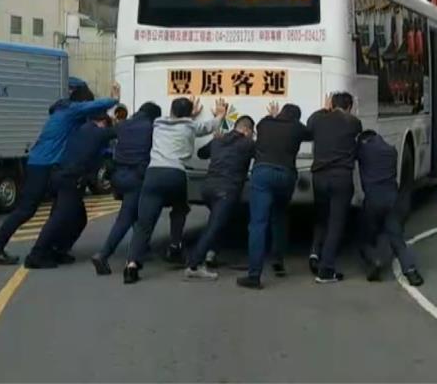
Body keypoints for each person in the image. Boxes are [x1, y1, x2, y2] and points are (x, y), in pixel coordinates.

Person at [0, 82, 119, 265]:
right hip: (43, 165)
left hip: (42, 163)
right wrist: (114, 99)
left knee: (67, 212)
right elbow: (93, 107)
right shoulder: (71, 111)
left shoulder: (63, 113)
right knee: (27, 210)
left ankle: (55, 249)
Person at [123, 96, 226, 284]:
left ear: (170, 111)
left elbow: (178, 121)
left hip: (153, 174)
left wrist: (187, 116)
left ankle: (131, 265)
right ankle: (175, 245)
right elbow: (210, 126)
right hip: (175, 175)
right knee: (180, 209)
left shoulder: (157, 125)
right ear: (189, 114)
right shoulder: (190, 127)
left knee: (144, 223)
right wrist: (220, 114)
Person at [25, 113, 117, 268]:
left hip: (62, 176)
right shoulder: (94, 131)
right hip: (70, 180)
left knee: (78, 218)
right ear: (102, 122)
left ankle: (58, 250)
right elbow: (119, 131)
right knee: (59, 218)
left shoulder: (81, 130)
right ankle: (36, 254)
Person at [237, 103, 312, 289]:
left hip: (262, 173)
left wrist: (274, 116)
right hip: (286, 175)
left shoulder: (264, 123)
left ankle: (254, 275)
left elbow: (270, 122)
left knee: (258, 223)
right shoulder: (297, 127)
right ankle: (278, 260)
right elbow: (311, 133)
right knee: (279, 216)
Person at [91, 102, 162, 276]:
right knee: (127, 217)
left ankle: (141, 248)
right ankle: (104, 254)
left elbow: (106, 136)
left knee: (134, 214)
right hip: (136, 177)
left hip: (118, 176)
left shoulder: (123, 125)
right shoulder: (151, 128)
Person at [183, 115, 256, 281]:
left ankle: (211, 254)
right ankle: (194, 265)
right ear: (246, 130)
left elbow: (202, 154)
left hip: (208, 188)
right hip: (227, 189)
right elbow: (262, 154)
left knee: (219, 221)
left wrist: (214, 140)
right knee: (214, 226)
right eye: (253, 132)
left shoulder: (219, 140)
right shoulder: (247, 143)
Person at [356, 129, 424, 286]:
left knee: (365, 236)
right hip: (393, 200)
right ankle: (411, 272)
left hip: (373, 200)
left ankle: (375, 260)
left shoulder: (364, 150)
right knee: (396, 238)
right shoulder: (391, 151)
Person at [307, 92, 362, 283]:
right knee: (336, 223)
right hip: (341, 177)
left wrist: (324, 109)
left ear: (331, 104)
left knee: (321, 217)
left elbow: (310, 124)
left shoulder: (318, 120)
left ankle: (314, 252)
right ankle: (326, 269)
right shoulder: (353, 122)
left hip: (319, 177)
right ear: (350, 107)